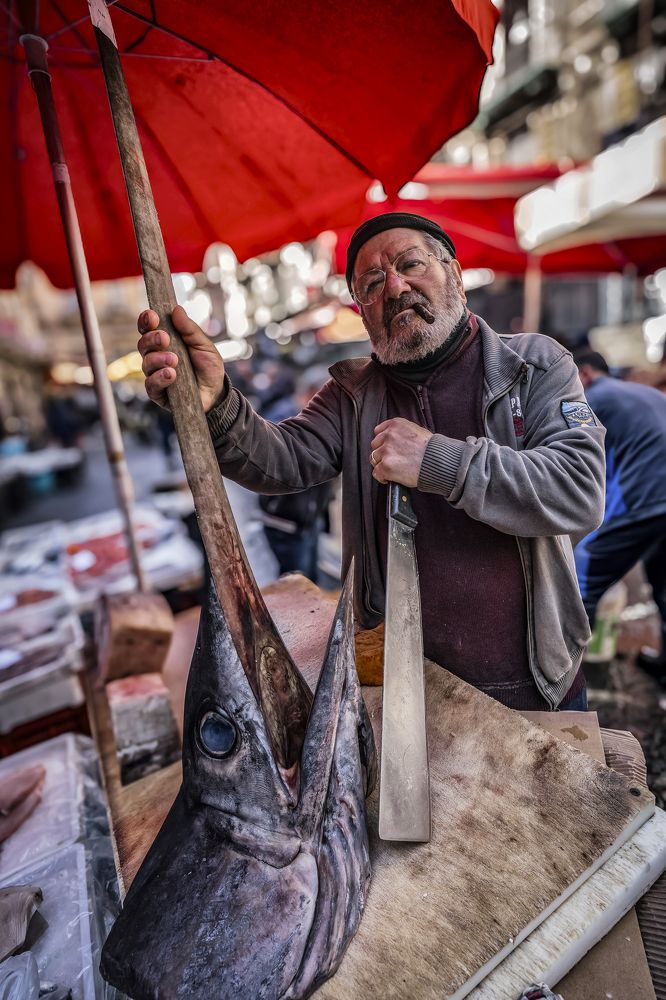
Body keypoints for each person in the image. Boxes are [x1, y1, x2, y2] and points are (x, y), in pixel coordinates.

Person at [137, 212, 605, 711]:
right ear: (363, 311)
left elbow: (578, 490)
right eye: (373, 283)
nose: (395, 287)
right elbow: (280, 460)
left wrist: (436, 461)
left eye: (411, 264)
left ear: (454, 273)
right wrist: (216, 404)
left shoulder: (533, 365)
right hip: (408, 694)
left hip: (537, 683)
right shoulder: (352, 397)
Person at [574, 350, 666, 677]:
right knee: (661, 577)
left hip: (648, 496)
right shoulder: (640, 391)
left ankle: (566, 676)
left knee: (582, 571)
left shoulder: (590, 400)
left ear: (585, 374)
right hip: (657, 496)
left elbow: (579, 458)